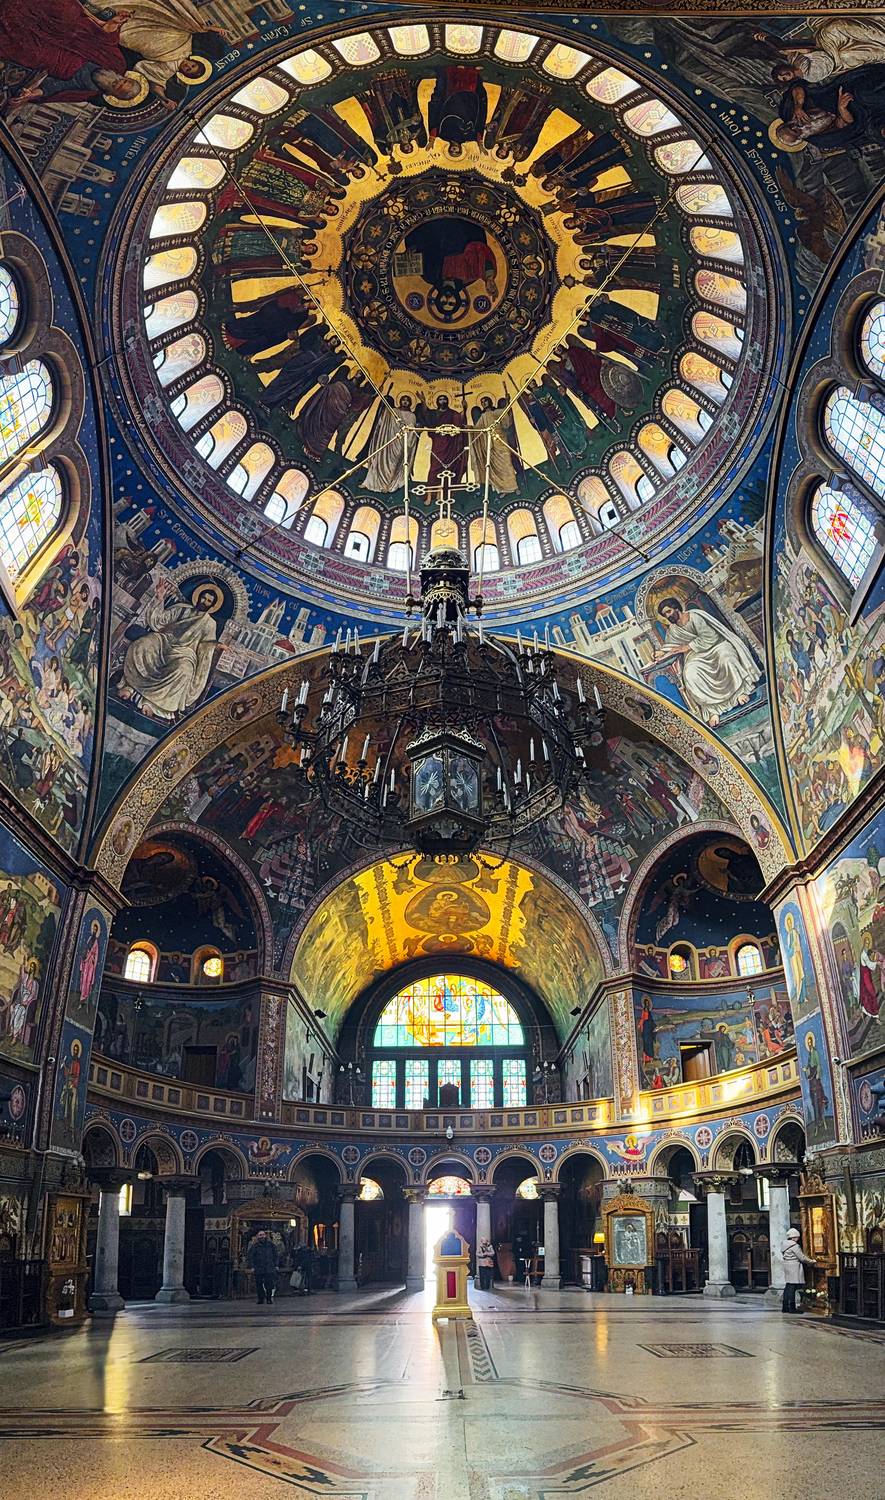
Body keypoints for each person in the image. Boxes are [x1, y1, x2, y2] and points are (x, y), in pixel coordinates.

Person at [781, 1227, 817, 1313]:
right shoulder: (794, 1246)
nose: (798, 1238)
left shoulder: (784, 1244)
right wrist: (811, 1261)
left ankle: (785, 1307)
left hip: (787, 1266)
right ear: (794, 1237)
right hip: (794, 1267)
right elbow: (802, 1257)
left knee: (788, 1286)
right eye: (797, 1237)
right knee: (792, 1288)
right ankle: (792, 1308)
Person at [246, 1229, 278, 1306]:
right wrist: (252, 1266)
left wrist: (276, 1265)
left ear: (265, 1236)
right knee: (259, 1284)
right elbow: (251, 1257)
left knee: (269, 1284)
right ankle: (260, 1298)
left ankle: (269, 1299)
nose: (262, 1236)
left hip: (269, 1268)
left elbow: (276, 1255)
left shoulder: (271, 1245)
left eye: (263, 1235)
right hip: (259, 1268)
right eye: (260, 1235)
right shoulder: (255, 1246)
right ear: (258, 1237)